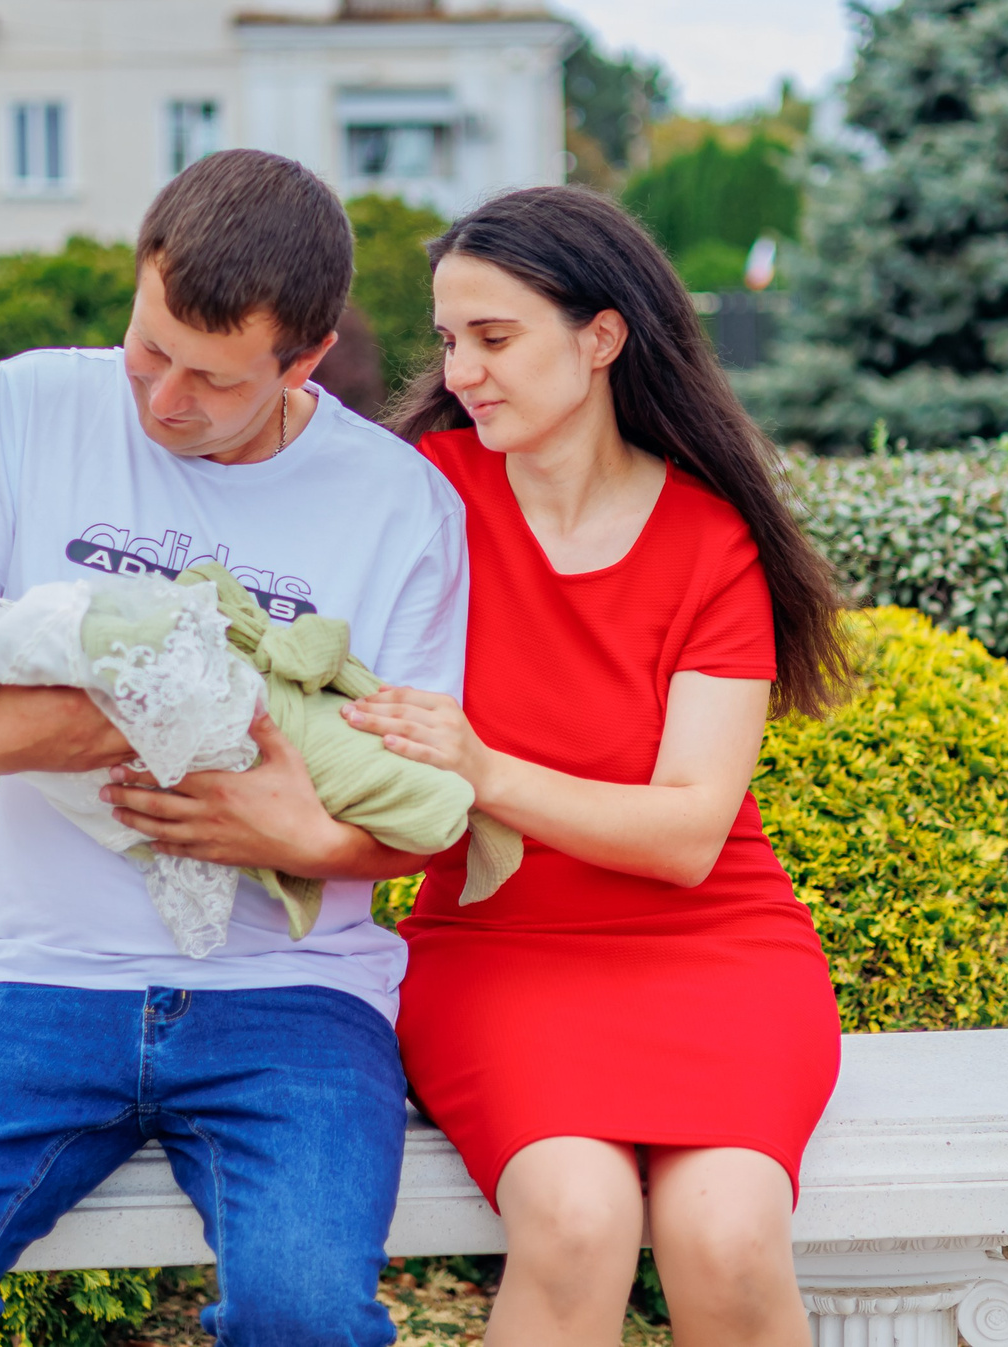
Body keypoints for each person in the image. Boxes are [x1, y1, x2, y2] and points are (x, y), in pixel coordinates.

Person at [0, 150, 467, 1347]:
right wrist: (128, 722)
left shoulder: (401, 504)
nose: (164, 399)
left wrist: (277, 831)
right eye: (147, 346)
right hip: (44, 980)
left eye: (214, 381)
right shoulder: (27, 408)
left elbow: (412, 815)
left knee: (306, 1320)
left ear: (305, 361)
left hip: (296, 1000)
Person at [344, 186, 848, 1347]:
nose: (461, 369)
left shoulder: (712, 540)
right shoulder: (425, 499)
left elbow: (685, 835)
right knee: (575, 1223)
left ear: (601, 337)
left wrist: (483, 769)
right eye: (448, 339)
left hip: (717, 950)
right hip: (498, 951)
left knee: (725, 1238)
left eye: (494, 337)